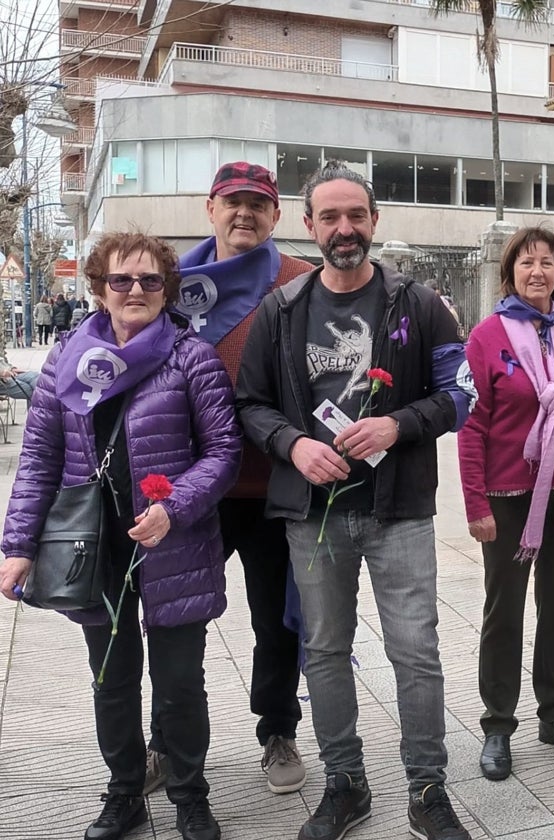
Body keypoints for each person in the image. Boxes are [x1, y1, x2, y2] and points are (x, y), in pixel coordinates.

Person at [236, 161, 473, 840]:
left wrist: (401, 423)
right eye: (330, 217)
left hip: (398, 508)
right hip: (314, 515)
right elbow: (248, 403)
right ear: (307, 226)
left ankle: (428, 788)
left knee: (415, 651)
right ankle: (345, 783)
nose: (345, 229)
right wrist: (291, 444)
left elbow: (461, 394)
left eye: (356, 216)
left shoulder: (420, 304)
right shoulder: (280, 312)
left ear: (375, 221)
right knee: (327, 650)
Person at [0, 231, 241, 840]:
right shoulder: (65, 359)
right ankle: (125, 793)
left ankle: (189, 796)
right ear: (99, 289)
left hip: (173, 544)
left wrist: (174, 507)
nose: (135, 290)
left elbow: (222, 453)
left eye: (150, 281)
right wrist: (18, 546)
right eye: (121, 280)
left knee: (180, 682)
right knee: (112, 677)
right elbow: (38, 459)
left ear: (168, 289)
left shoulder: (192, 357)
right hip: (92, 547)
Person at [137, 162, 314, 798]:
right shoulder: (170, 283)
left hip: (273, 486)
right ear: (209, 208)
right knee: (176, 622)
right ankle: (168, 740)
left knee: (277, 619)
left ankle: (278, 729)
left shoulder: (302, 282)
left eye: (258, 205)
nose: (245, 214)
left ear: (277, 216)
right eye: (233, 203)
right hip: (187, 492)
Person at [457, 227, 554, 783]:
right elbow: (471, 424)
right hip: (507, 495)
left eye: (547, 263)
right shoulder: (486, 335)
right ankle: (499, 723)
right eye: (527, 263)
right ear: (510, 273)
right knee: (504, 608)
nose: (538, 273)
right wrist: (475, 502)